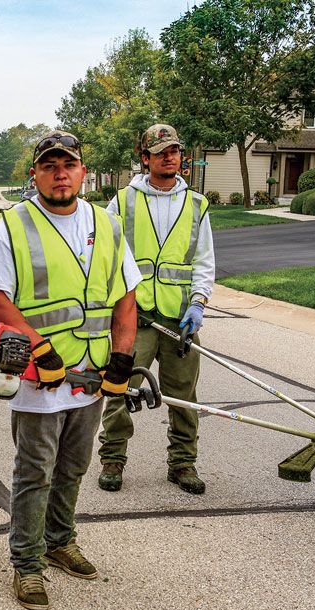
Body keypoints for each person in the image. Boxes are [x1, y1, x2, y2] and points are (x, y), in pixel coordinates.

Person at [0, 131, 141, 610]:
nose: (60, 173)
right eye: (49, 165)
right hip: (40, 378)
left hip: (91, 377)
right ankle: (27, 564)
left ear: (82, 170)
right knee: (35, 472)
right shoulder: (13, 225)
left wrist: (123, 359)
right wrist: (40, 348)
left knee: (73, 467)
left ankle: (60, 540)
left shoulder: (107, 225)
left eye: (68, 164)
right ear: (36, 173)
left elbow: (126, 298)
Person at [96, 124, 216, 495]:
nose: (169, 157)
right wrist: (118, 305)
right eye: (161, 151)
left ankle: (183, 463)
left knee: (184, 396)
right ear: (145, 158)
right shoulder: (123, 202)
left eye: (175, 151)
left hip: (180, 318)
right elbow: (108, 256)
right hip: (136, 318)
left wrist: (198, 303)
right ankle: (113, 459)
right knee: (120, 388)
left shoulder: (196, 205)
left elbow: (203, 261)